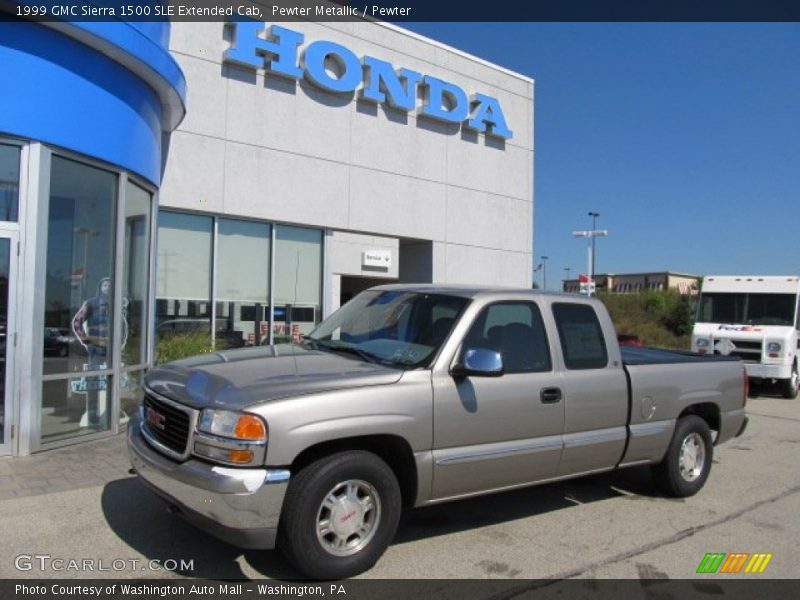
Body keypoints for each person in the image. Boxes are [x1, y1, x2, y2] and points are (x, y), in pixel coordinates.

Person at [72, 277, 111, 427]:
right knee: (94, 381)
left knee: (112, 382)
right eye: (105, 285)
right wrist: (86, 341)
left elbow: (122, 324)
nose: (108, 287)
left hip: (111, 349)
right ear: (100, 287)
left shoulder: (115, 304)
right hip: (95, 348)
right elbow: (77, 322)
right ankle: (93, 413)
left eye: (110, 285)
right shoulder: (91, 303)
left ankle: (111, 411)